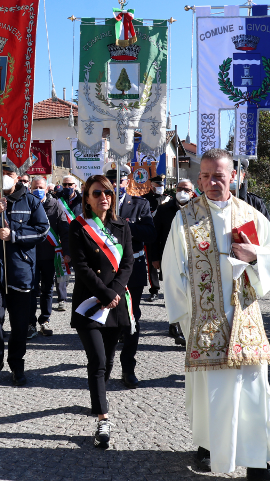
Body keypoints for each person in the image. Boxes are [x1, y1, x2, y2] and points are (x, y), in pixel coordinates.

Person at [162, 149, 270, 480]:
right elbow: (172, 269)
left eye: (218, 175)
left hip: (244, 318)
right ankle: (209, 447)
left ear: (233, 176)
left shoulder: (249, 215)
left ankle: (258, 466)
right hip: (205, 321)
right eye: (204, 176)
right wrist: (186, 317)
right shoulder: (185, 218)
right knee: (210, 394)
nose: (211, 182)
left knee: (254, 391)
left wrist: (254, 254)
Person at [0, 157, 49, 387]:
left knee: (21, 323)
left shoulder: (31, 201)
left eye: (10, 172)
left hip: (21, 271)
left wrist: (15, 236)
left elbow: (42, 231)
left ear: (17, 175)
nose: (5, 175)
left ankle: (17, 363)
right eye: (0, 171)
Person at [69, 175, 134, 449]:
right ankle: (103, 419)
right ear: (87, 198)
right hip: (90, 303)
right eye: (97, 193)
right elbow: (81, 267)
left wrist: (115, 292)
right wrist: (104, 293)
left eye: (107, 192)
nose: (103, 197)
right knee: (96, 360)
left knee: (107, 361)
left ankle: (98, 397)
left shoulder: (122, 227)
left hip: (116, 304)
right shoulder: (77, 227)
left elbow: (128, 263)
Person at [104, 163, 157, 389]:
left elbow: (150, 233)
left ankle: (128, 369)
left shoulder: (139, 204)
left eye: (121, 179)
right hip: (106, 269)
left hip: (132, 267)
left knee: (131, 321)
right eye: (112, 179)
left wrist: (125, 226)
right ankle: (103, 367)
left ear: (128, 181)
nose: (117, 184)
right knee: (106, 320)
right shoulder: (99, 204)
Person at [151, 178, 195, 346]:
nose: (182, 191)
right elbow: (155, 235)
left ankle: (186, 325)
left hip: (192, 259)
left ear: (192, 193)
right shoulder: (163, 210)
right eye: (179, 188)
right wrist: (155, 258)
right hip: (168, 257)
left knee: (188, 291)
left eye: (186, 189)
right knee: (172, 290)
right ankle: (174, 324)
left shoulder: (197, 209)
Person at [28, 176, 70, 338]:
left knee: (46, 290)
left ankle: (44, 320)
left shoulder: (56, 205)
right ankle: (30, 323)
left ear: (47, 189)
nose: (37, 190)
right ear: (31, 189)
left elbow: (64, 230)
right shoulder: (27, 204)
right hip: (29, 255)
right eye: (35, 187)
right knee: (30, 290)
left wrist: (67, 252)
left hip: (49, 256)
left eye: (40, 187)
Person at [53, 174, 82, 311]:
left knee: (81, 270)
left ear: (75, 186)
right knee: (62, 270)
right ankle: (61, 299)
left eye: (70, 185)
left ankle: (81, 297)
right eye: (65, 185)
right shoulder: (57, 201)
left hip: (80, 240)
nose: (67, 187)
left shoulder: (83, 201)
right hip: (62, 239)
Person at [142, 173, 170, 302]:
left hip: (165, 235)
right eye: (158, 184)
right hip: (151, 234)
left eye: (162, 184)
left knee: (167, 262)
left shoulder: (168, 199)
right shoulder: (144, 200)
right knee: (152, 264)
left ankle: (169, 290)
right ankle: (154, 290)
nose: (161, 186)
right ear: (152, 185)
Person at [233, 160, 270, 225]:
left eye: (236, 172)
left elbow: (268, 229)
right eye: (230, 172)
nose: (233, 176)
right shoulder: (215, 200)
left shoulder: (255, 201)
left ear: (243, 175)